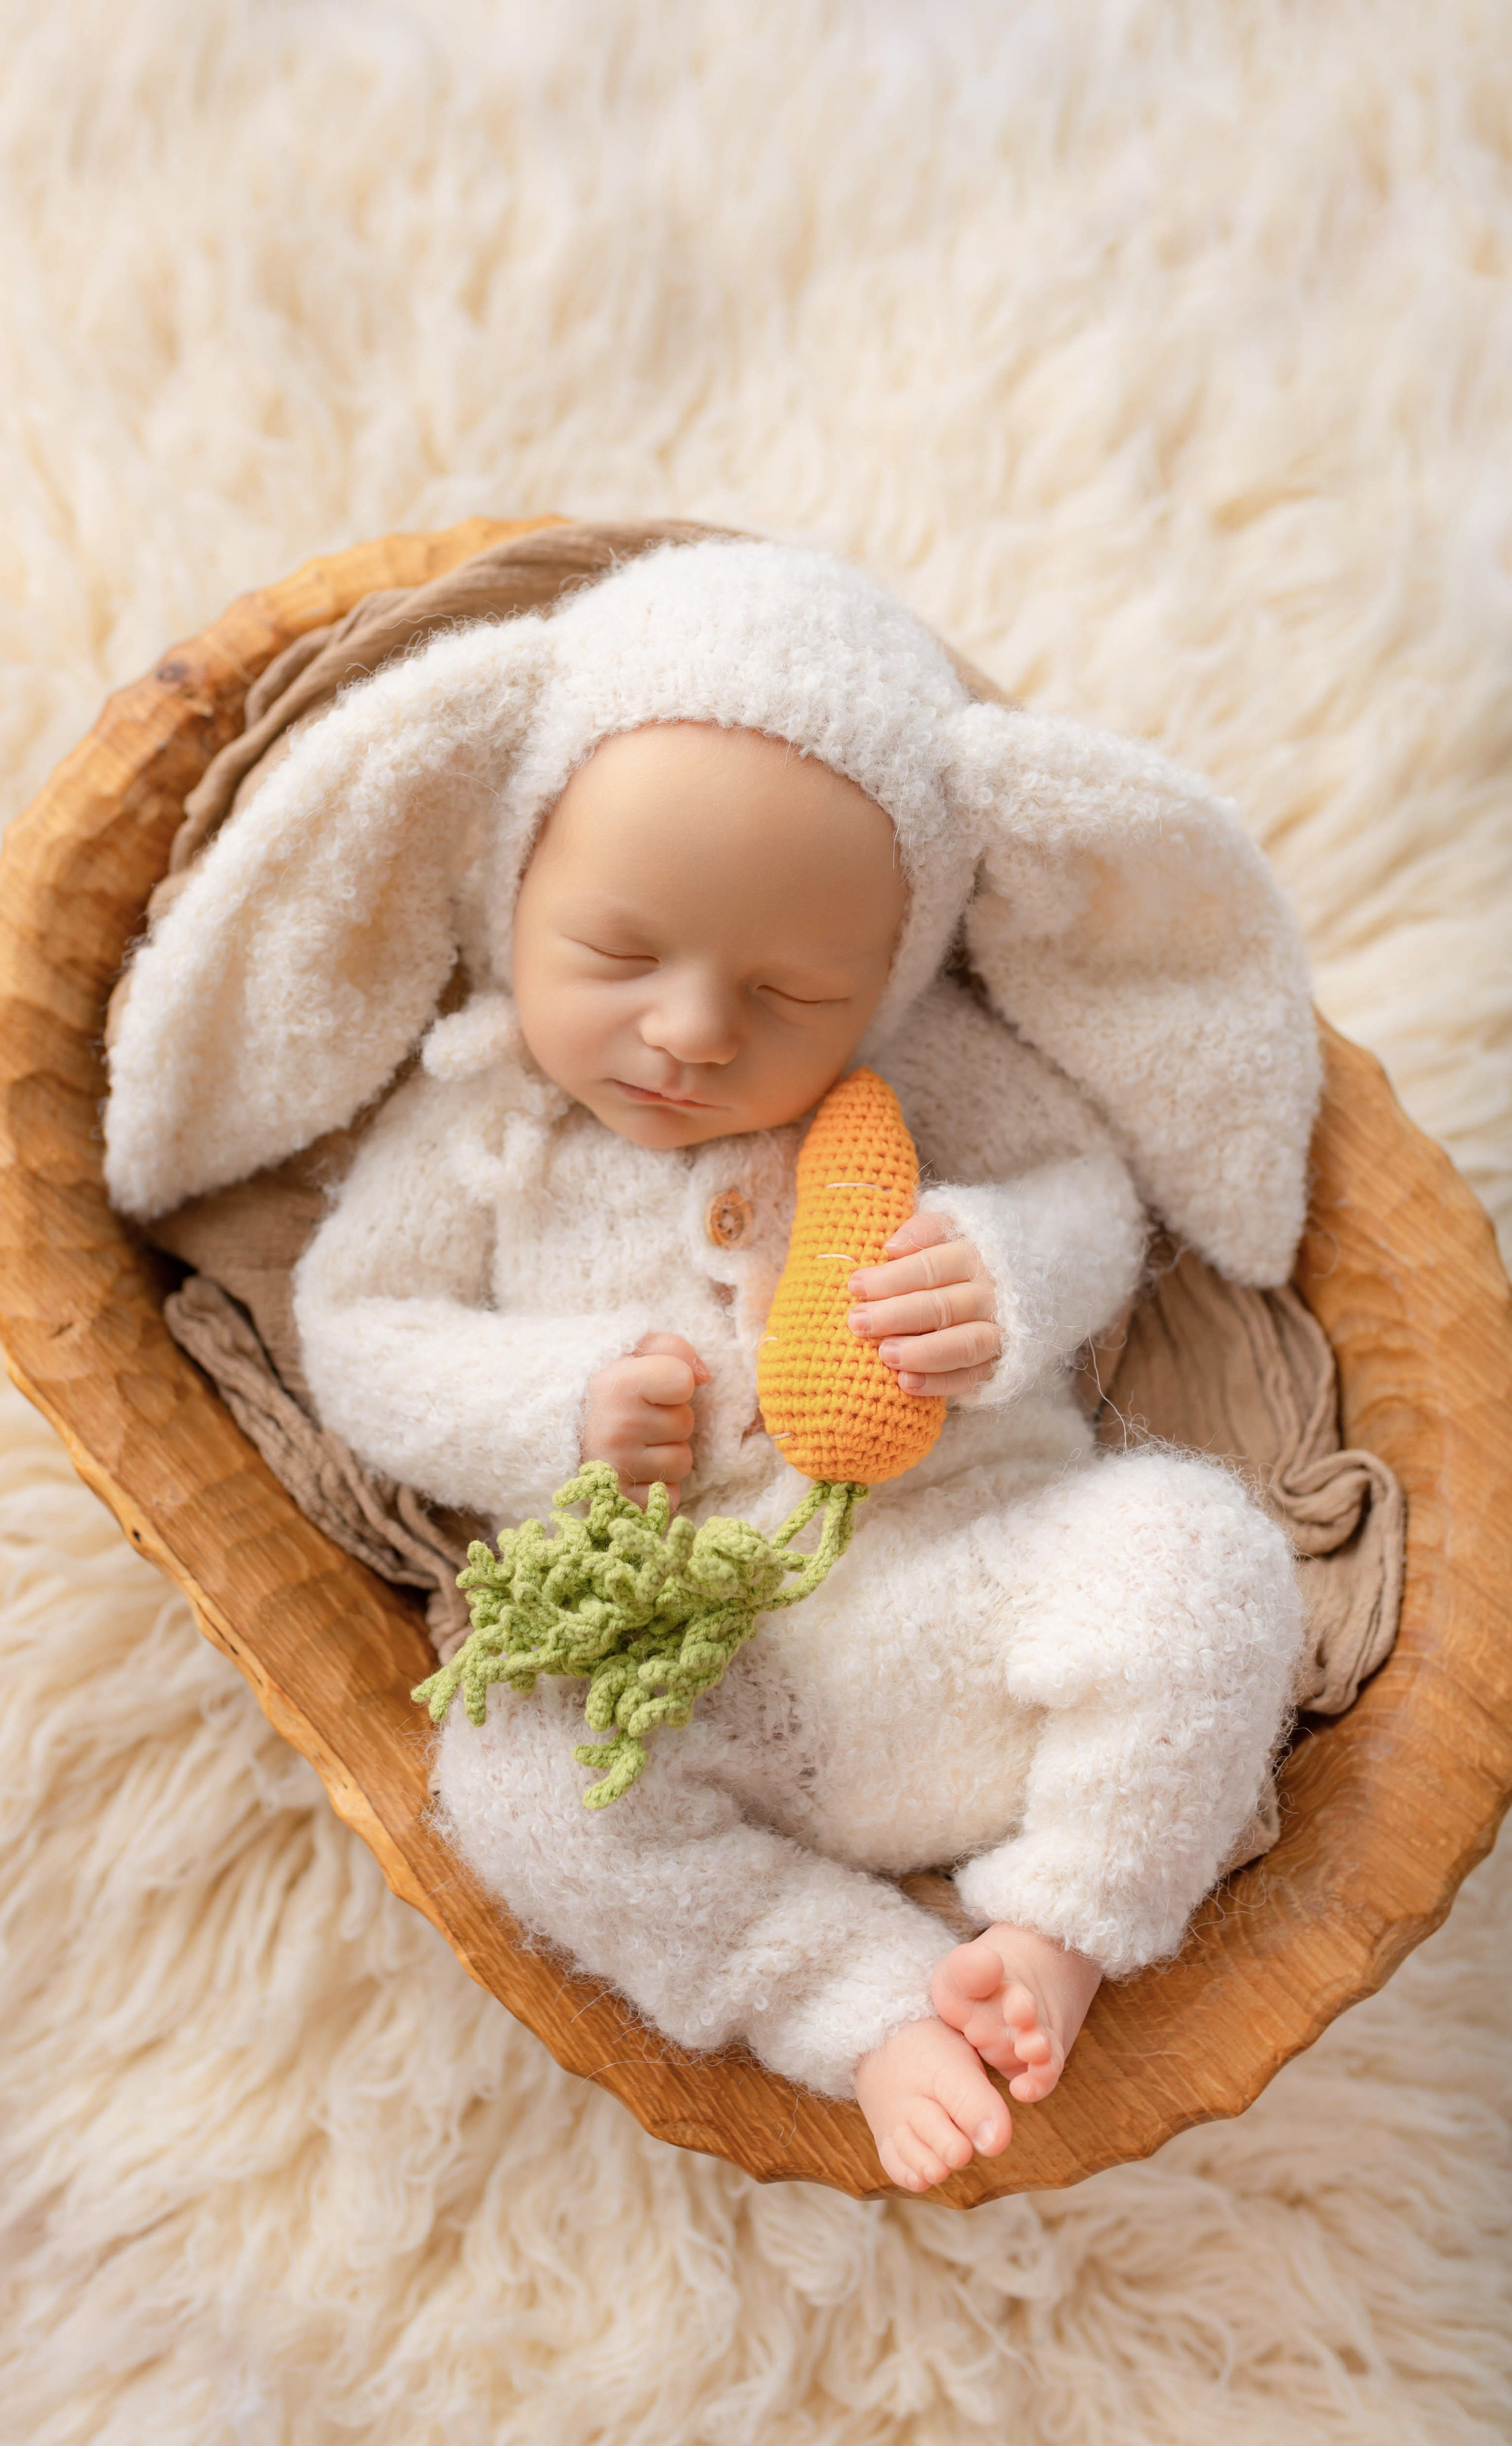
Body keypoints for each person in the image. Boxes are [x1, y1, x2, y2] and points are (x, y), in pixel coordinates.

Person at [104, 538, 1319, 2192]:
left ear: (891, 970)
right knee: (518, 1777)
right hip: (706, 1673)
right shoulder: (477, 1124)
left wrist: (1000, 1271)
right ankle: (865, 2000)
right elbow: (363, 1341)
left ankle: (1057, 1931)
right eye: (619, 956)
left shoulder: (928, 1077)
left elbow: (1084, 1193)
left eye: (789, 990)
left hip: (972, 1589)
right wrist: (565, 1407)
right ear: (511, 885)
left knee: (1198, 1557)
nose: (690, 1031)